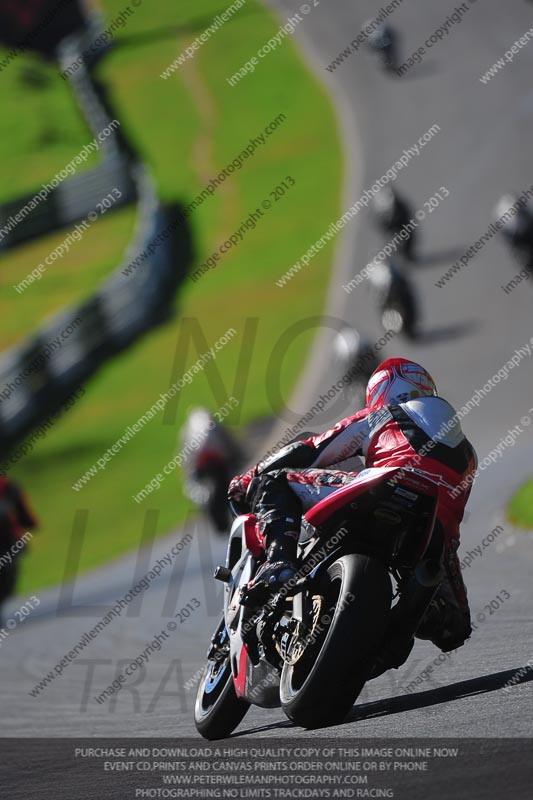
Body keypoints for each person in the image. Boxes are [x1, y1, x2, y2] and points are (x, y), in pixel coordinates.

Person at [228, 358, 477, 653]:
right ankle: (406, 619)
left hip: (382, 486)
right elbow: (452, 514)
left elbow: (311, 449)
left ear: (381, 392)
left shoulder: (382, 414)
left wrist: (248, 478)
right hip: (435, 532)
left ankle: (279, 563)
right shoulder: (468, 452)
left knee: (276, 481)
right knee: (455, 628)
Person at [0, 478, 38, 625]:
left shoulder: (7, 486)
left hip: (9, 541)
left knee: (8, 578)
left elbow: (21, 509)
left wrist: (30, 522)